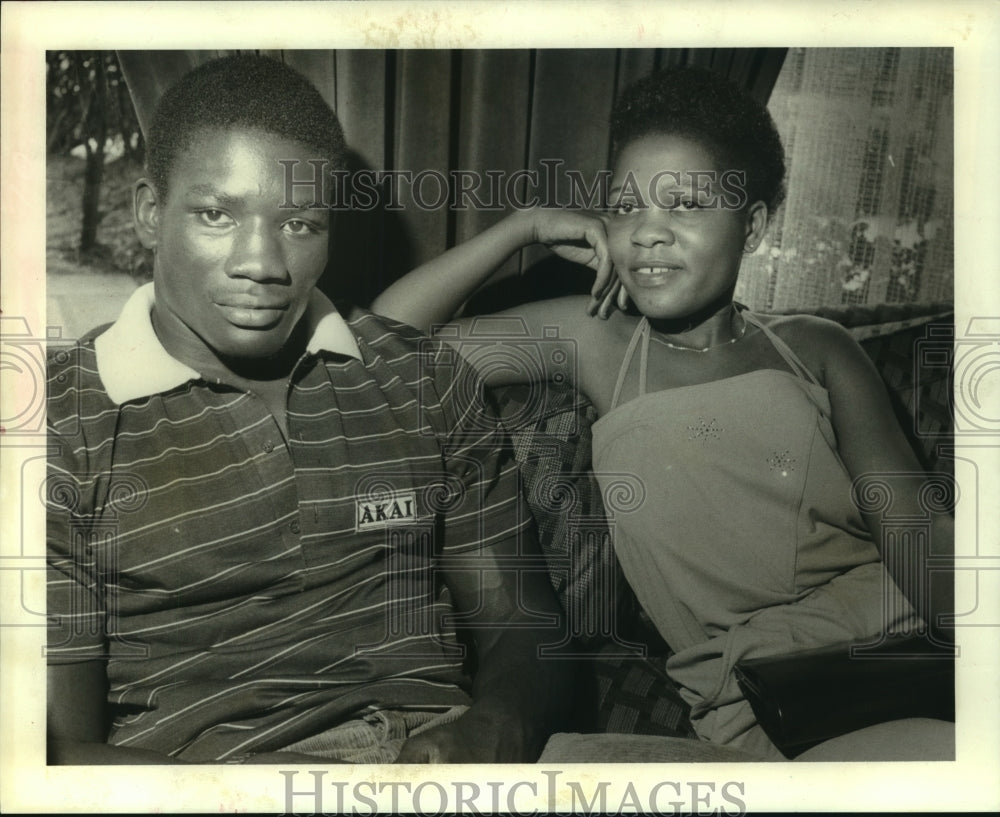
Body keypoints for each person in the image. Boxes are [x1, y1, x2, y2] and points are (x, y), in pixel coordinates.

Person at [371, 65, 956, 761]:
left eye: (684, 205)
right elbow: (386, 349)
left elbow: (915, 526)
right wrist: (519, 228)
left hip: (900, 646)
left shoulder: (814, 347)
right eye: (624, 208)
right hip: (765, 700)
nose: (648, 233)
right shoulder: (596, 341)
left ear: (755, 225)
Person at [45, 54, 585, 765]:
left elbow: (523, 621)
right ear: (151, 211)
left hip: (447, 758)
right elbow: (53, 751)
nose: (263, 262)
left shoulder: (422, 376)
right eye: (217, 214)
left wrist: (494, 728)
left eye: (300, 223)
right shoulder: (58, 420)